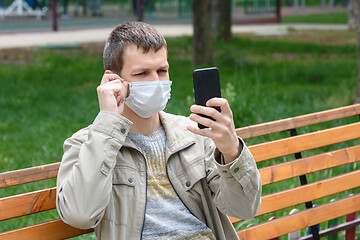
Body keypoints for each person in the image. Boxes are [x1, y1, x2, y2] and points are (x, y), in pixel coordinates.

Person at [56, 21, 261, 240]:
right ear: (113, 80)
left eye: (162, 71)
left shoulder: (194, 134)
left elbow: (244, 209)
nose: (156, 81)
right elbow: (79, 215)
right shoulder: (87, 143)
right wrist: (107, 124)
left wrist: (231, 151)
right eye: (142, 73)